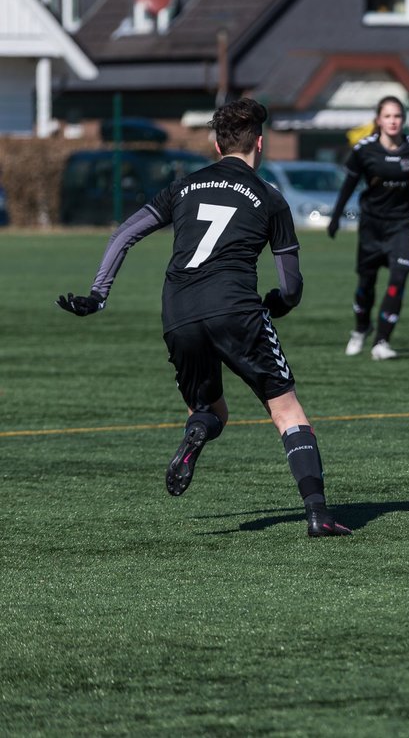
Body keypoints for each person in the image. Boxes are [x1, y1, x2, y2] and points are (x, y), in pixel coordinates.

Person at [55, 98, 351, 537]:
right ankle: (317, 514)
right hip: (235, 308)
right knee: (286, 411)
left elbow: (124, 234)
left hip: (178, 313)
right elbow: (291, 286)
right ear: (261, 144)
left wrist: (99, 295)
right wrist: (277, 305)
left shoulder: (183, 186)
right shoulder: (271, 199)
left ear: (215, 144)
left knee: (210, 410)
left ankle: (196, 432)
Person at [329, 95, 409, 359]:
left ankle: (381, 342)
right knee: (366, 283)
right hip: (372, 225)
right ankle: (361, 329)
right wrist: (335, 216)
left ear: (403, 120)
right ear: (378, 120)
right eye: (388, 116)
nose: (393, 121)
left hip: (404, 223)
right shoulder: (365, 150)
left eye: (397, 116)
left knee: (398, 279)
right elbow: (349, 183)